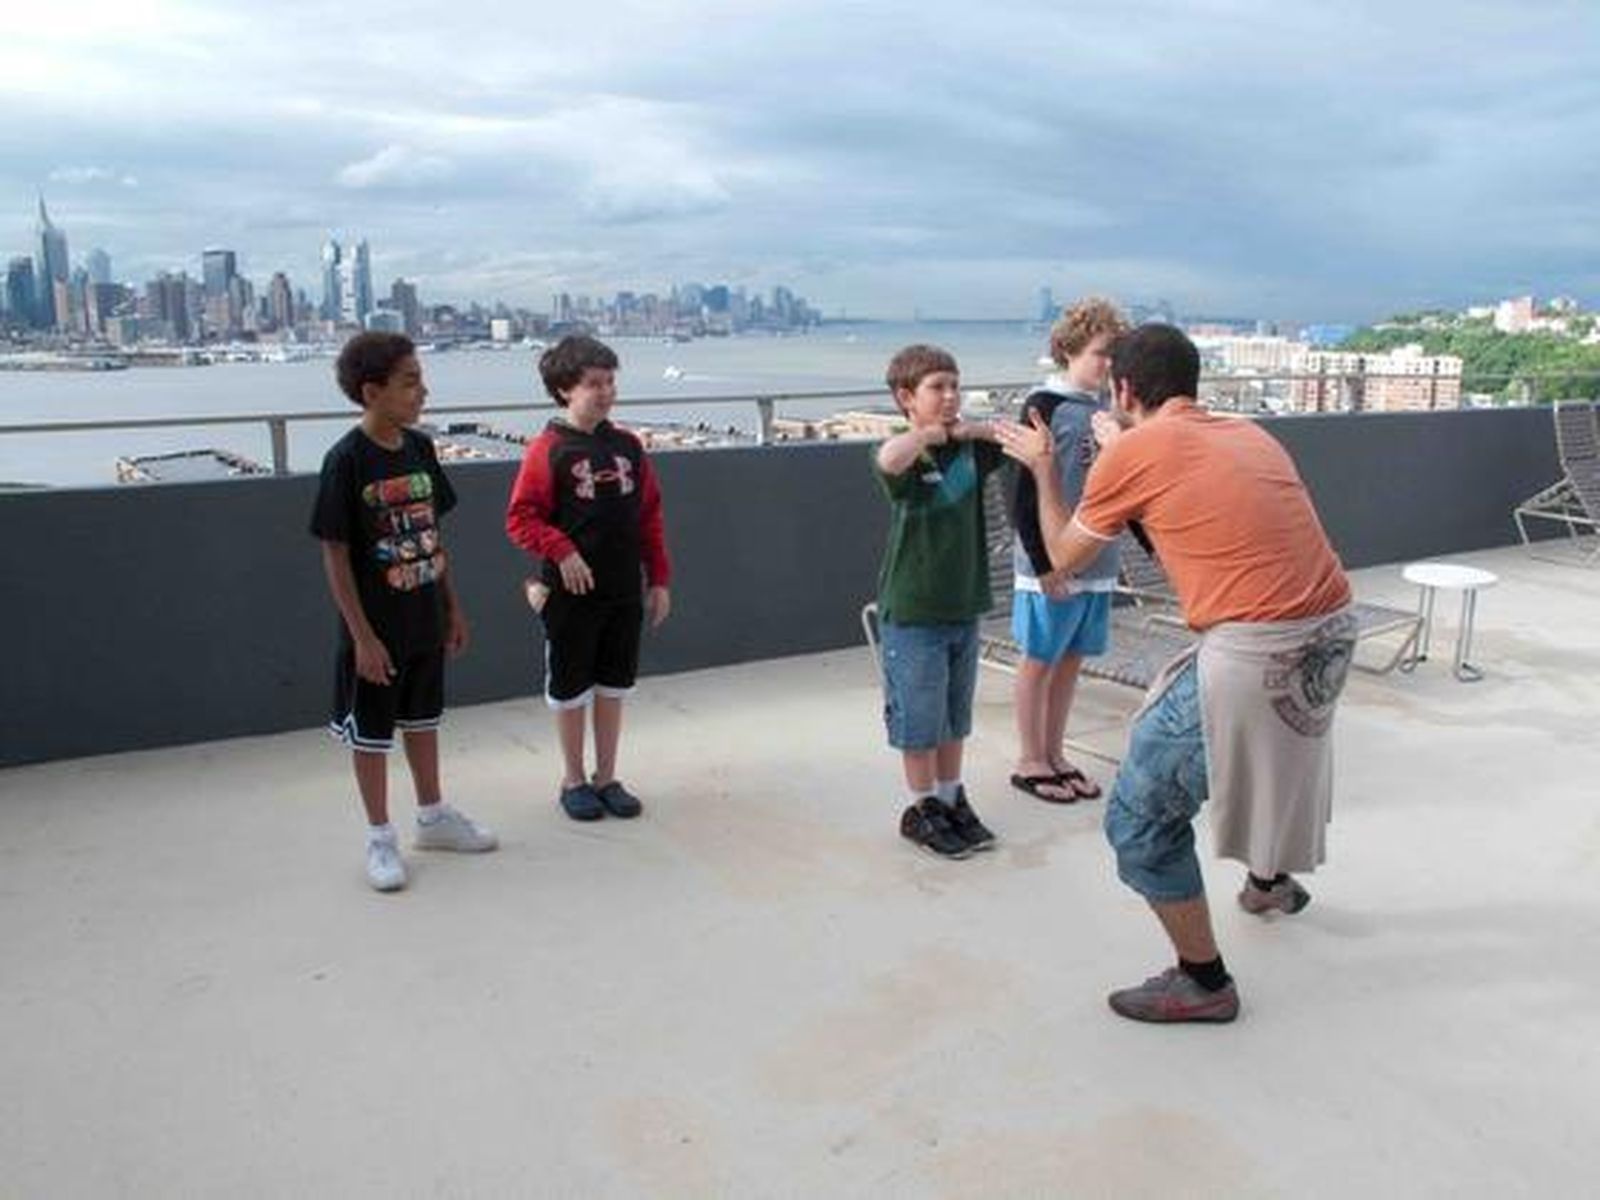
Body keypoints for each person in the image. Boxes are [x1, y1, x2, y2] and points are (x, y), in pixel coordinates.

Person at [996, 324, 1356, 1023]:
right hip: (1332, 630)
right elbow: (1185, 529)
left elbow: (1064, 555)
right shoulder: (1247, 433)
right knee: (1277, 754)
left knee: (1139, 817)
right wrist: (1120, 460)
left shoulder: (1138, 449)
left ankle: (1203, 980)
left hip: (1260, 647)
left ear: (1124, 389)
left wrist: (1045, 468)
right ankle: (1270, 880)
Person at [310, 332, 498, 892]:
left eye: (420, 378)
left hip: (424, 617)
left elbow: (430, 536)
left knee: (423, 720)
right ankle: (379, 837)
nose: (422, 391)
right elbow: (335, 554)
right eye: (409, 381)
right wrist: (362, 637)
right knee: (372, 735)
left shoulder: (420, 450)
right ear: (372, 392)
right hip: (377, 630)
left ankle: (433, 815)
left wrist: (452, 607)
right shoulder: (345, 460)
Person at [506, 335, 671, 821]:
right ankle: (573, 777)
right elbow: (521, 518)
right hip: (571, 594)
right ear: (563, 390)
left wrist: (658, 578)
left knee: (613, 684)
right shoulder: (548, 449)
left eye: (610, 382)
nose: (605, 392)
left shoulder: (628, 446)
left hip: (622, 588)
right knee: (571, 685)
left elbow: (649, 517)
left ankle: (608, 775)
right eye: (593, 384)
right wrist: (562, 550)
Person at [873, 344, 1005, 858]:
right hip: (913, 609)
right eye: (937, 388)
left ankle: (952, 798)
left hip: (963, 603)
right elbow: (887, 460)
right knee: (919, 719)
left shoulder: (970, 449)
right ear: (906, 397)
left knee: (955, 715)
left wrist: (967, 430)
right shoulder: (907, 449)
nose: (951, 396)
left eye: (955, 386)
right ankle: (922, 806)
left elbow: (1016, 438)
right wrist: (926, 434)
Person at [1009, 298, 1128, 805]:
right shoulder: (1045, 406)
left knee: (1072, 660)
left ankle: (1055, 753)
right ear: (1071, 350)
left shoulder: (1106, 415)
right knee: (1039, 660)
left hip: (1096, 560)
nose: (1108, 365)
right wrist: (1043, 565)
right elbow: (1019, 494)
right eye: (1101, 353)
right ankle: (1029, 758)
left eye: (1114, 356)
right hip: (1052, 566)